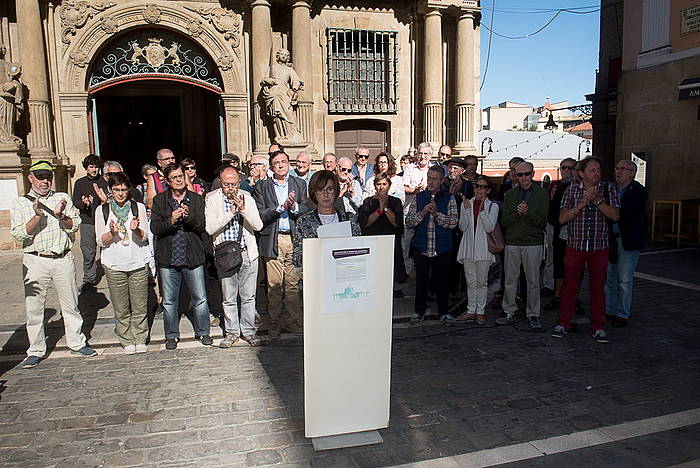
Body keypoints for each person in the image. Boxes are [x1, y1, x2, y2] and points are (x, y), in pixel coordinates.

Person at [10, 160, 97, 369]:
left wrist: (60, 216)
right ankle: (36, 349)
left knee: (71, 305)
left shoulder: (62, 197)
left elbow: (73, 225)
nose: (45, 181)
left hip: (62, 258)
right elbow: (20, 233)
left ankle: (76, 342)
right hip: (35, 259)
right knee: (34, 308)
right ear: (30, 178)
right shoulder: (20, 202)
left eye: (48, 176)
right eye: (40, 177)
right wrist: (37, 216)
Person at [553, 156, 620, 343]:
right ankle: (563, 322)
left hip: (599, 247)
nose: (596, 173)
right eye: (592, 170)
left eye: (598, 169)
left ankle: (598, 326)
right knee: (569, 287)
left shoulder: (608, 189)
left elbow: (615, 216)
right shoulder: (571, 191)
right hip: (576, 247)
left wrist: (598, 200)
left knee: (598, 288)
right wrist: (581, 204)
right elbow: (562, 218)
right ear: (581, 173)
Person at [150, 163, 212, 349]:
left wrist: (188, 218)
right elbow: (155, 227)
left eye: (181, 176)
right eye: (174, 178)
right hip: (169, 258)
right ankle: (171, 335)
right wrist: (172, 219)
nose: (179, 180)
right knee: (169, 300)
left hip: (192, 256)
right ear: (168, 181)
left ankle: (203, 332)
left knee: (200, 298)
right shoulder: (160, 201)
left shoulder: (196, 199)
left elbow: (202, 225)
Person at [253, 150, 309, 339]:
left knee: (293, 284)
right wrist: (279, 208)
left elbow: (307, 208)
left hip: (293, 238)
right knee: (275, 285)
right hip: (273, 239)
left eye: (283, 161)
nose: (280, 165)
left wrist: (294, 207)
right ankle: (275, 322)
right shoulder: (262, 187)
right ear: (271, 167)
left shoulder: (299, 184)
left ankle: (293, 321)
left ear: (289, 164)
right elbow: (259, 213)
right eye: (276, 162)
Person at [206, 167, 264, 348]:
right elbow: (210, 228)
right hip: (225, 255)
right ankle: (232, 332)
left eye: (233, 184)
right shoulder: (212, 199)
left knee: (248, 297)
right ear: (220, 183)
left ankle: (248, 331)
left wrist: (243, 210)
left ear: (239, 182)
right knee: (229, 297)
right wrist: (230, 213)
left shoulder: (247, 197)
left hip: (247, 252)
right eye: (226, 184)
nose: (230, 188)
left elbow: (258, 225)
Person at [95, 172, 150, 354]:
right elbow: (100, 241)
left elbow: (145, 237)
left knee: (139, 304)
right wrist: (112, 233)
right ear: (110, 190)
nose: (120, 193)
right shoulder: (102, 211)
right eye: (116, 190)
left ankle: (140, 337)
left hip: (137, 262)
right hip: (114, 263)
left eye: (124, 190)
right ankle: (126, 339)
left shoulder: (138, 208)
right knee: (121, 306)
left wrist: (135, 230)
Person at [497, 161, 549, 330]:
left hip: (533, 243)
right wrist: (517, 214)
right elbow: (504, 221)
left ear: (533, 174)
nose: (524, 178)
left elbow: (542, 222)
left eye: (527, 174)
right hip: (512, 242)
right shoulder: (510, 195)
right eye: (520, 175)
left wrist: (528, 213)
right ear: (515, 176)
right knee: (510, 280)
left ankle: (533, 313)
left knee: (533, 281)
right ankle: (508, 310)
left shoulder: (542, 194)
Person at [406, 166, 458, 325]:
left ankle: (443, 312)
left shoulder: (449, 198)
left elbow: (453, 222)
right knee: (421, 282)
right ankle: (419, 311)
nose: (431, 181)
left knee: (441, 282)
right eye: (429, 178)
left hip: (441, 248)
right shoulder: (419, 197)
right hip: (422, 247)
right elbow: (409, 221)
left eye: (435, 179)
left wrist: (436, 214)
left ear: (442, 181)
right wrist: (422, 213)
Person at [605, 160, 647, 328]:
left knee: (624, 280)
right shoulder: (612, 189)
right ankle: (609, 310)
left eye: (623, 169)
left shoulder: (637, 191)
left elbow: (624, 213)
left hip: (627, 240)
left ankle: (622, 313)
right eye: (617, 168)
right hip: (611, 239)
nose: (618, 171)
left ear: (632, 173)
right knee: (609, 277)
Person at [293, 170, 361, 268]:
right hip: (316, 276)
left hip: (345, 275)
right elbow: (296, 259)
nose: (325, 194)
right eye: (320, 190)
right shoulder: (304, 221)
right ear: (314, 193)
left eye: (330, 189)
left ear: (336, 191)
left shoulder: (349, 219)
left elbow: (359, 250)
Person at [455, 176, 499, 325]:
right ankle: (470, 310)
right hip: (468, 248)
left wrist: (482, 211)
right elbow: (462, 226)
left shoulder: (493, 206)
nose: (479, 189)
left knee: (482, 282)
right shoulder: (466, 204)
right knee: (470, 281)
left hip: (484, 250)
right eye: (477, 186)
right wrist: (467, 211)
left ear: (488, 190)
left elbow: (489, 227)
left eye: (483, 187)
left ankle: (480, 312)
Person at [358, 173, 407, 294]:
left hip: (391, 243)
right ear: (374, 186)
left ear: (389, 186)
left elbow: (397, 223)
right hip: (373, 241)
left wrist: (385, 207)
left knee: (391, 271)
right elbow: (365, 223)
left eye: (384, 184)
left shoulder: (395, 202)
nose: (381, 187)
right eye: (378, 184)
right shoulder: (368, 202)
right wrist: (379, 210)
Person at [544, 158, 576, 311]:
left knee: (573, 266)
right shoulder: (557, 186)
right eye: (563, 167)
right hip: (558, 228)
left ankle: (571, 297)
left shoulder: (579, 187)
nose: (565, 171)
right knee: (555, 261)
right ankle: (554, 292)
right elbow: (553, 207)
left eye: (569, 168)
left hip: (575, 232)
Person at [71, 154, 103, 289]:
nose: (94, 170)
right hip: (87, 221)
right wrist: (84, 203)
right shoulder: (80, 183)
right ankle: (89, 279)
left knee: (107, 250)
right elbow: (75, 202)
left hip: (103, 222)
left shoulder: (104, 181)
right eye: (91, 167)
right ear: (86, 168)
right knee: (88, 252)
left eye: (96, 167)